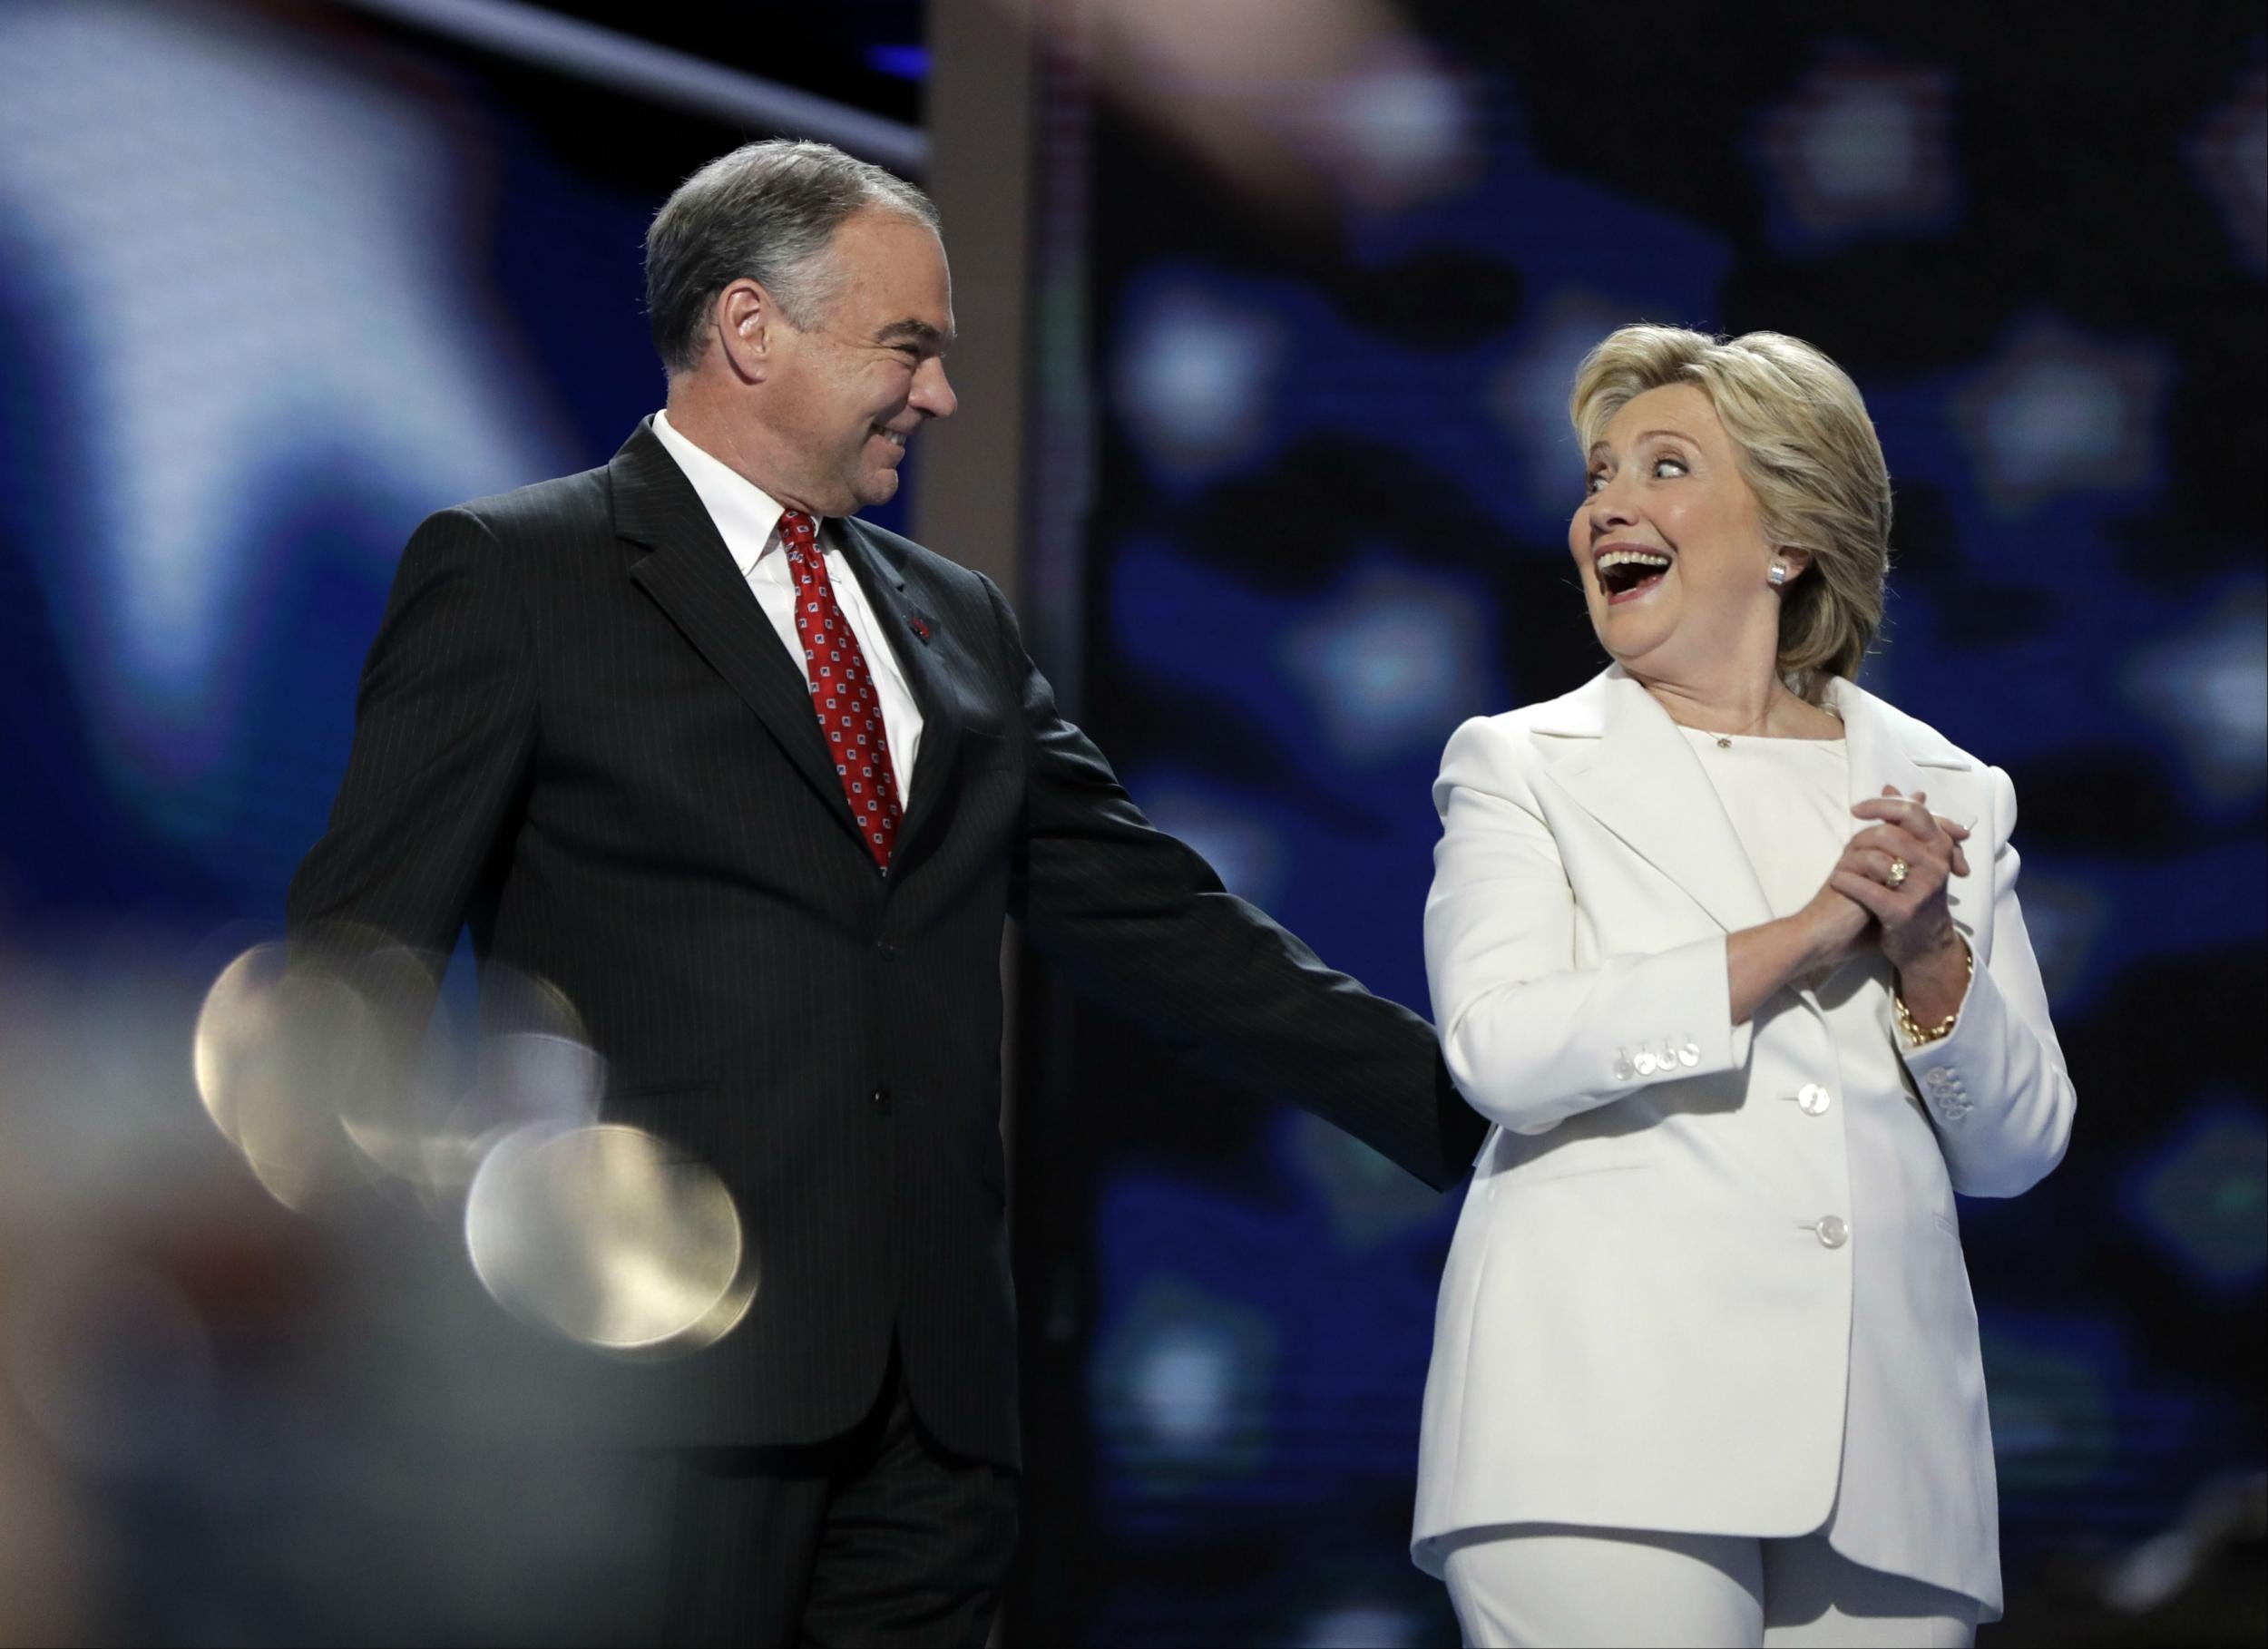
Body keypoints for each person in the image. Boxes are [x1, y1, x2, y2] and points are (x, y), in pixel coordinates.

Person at [286, 139, 1482, 1644]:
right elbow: (354, 976)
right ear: (750, 330)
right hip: (648, 1389)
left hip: (934, 1414)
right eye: (908, 346)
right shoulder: (518, 574)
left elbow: (1170, 929)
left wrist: (1483, 1118)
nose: (941, 393)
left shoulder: (955, 619)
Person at [1412, 325, 2076, 1646]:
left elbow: (2017, 1144)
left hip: (1884, 1457)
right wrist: (1815, 929)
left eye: (1666, 467)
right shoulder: (1523, 762)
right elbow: (1504, 1046)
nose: (1609, 505)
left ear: (1790, 535)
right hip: (1599, 1428)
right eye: (1601, 473)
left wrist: (1930, 952)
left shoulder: (1948, 786)